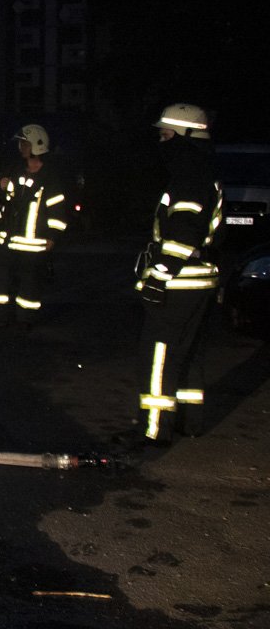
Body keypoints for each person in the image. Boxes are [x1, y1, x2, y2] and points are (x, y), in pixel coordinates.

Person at [134, 103, 222, 445]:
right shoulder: (202, 169)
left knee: (158, 354)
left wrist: (159, 275)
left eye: (166, 135)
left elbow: (183, 232)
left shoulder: (189, 174)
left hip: (180, 282)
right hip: (200, 280)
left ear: (185, 136)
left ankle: (153, 430)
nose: (161, 141)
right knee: (187, 355)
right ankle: (189, 421)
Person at [0, 124, 69, 329]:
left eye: (25, 143)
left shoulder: (50, 179)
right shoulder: (13, 169)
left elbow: (57, 211)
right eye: (21, 143)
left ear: (37, 146)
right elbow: (1, 195)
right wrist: (0, 187)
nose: (21, 147)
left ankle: (25, 319)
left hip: (33, 243)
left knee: (30, 282)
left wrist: (52, 237)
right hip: (7, 239)